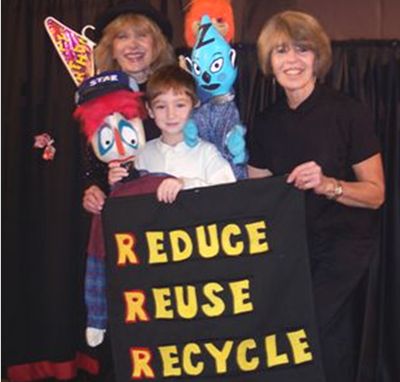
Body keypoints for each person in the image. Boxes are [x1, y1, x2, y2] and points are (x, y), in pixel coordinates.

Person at [247, 10, 385, 382]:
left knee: (316, 335)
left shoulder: (348, 113)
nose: (291, 61)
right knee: (310, 345)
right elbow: (255, 194)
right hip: (292, 250)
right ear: (268, 61)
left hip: (343, 248)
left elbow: (376, 195)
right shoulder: (265, 122)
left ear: (317, 57)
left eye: (301, 50)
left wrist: (329, 185)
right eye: (280, 51)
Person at [83, 0, 176, 214]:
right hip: (128, 214)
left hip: (175, 206)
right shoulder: (99, 100)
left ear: (157, 44)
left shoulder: (174, 90)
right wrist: (95, 190)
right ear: (111, 49)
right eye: (122, 36)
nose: (132, 45)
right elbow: (96, 168)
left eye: (142, 35)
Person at [109, 64, 236, 202]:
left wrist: (185, 184)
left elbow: (227, 195)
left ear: (194, 106)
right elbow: (130, 204)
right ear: (150, 110)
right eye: (161, 106)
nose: (171, 114)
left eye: (180, 105)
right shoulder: (141, 155)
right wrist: (117, 185)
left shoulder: (207, 153)